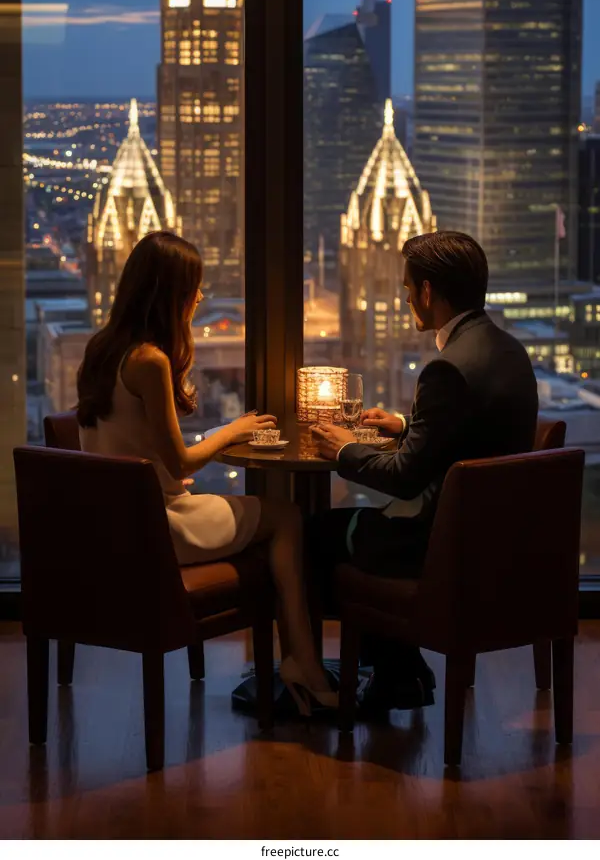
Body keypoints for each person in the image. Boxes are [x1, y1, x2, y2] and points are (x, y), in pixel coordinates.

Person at [77, 230, 335, 714]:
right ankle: (302, 661)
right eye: (193, 287)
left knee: (270, 517)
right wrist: (232, 430)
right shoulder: (150, 361)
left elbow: (131, 448)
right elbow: (181, 460)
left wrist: (169, 473)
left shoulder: (101, 349)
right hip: (159, 527)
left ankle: (297, 661)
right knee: (287, 518)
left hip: (114, 526)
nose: (199, 297)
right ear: (169, 292)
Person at [310, 231, 538, 712]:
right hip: (498, 538)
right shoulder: (507, 349)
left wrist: (343, 450)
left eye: (409, 288)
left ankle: (374, 677)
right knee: (354, 530)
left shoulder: (447, 368)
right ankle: (403, 670)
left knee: (316, 536)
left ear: (429, 292)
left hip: (443, 545)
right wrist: (406, 425)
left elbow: (404, 477)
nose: (407, 297)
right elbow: (477, 428)